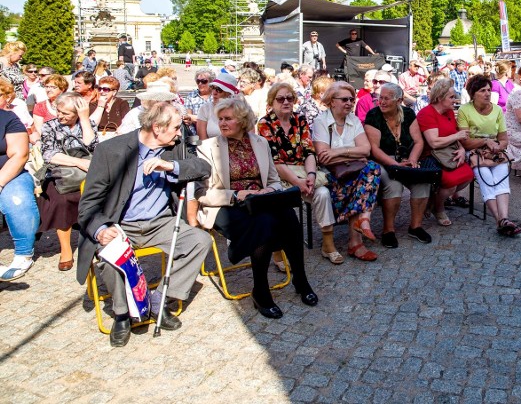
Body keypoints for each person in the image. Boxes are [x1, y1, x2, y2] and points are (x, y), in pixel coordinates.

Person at [76, 102, 211, 347]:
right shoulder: (111, 150)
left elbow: (203, 167)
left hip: (160, 222)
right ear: (157, 128)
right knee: (109, 253)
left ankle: (158, 300)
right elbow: (89, 204)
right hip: (121, 224)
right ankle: (122, 314)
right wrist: (102, 229)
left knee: (200, 240)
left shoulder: (174, 147)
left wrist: (171, 166)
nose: (180, 133)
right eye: (176, 127)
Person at [195, 98, 317, 316]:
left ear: (242, 121)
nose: (222, 123)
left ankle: (301, 279)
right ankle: (260, 291)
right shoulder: (207, 148)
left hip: (259, 201)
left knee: (288, 215)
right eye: (220, 119)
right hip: (226, 205)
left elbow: (273, 180)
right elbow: (203, 194)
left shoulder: (259, 143)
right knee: (264, 222)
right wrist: (237, 194)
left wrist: (268, 191)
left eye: (228, 119)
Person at [257, 82, 338, 265]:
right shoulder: (265, 123)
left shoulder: (299, 119)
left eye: (289, 98)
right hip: (278, 174)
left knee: (323, 193)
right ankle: (278, 251)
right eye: (280, 98)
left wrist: (310, 175)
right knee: (279, 202)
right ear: (272, 101)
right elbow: (274, 161)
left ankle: (328, 244)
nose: (286, 101)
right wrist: (298, 182)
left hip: (303, 171)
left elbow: (310, 151)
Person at [312, 82, 382, 262]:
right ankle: (357, 239)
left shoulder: (354, 120)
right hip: (332, 176)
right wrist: (353, 154)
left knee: (372, 167)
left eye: (352, 99)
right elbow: (323, 158)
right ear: (331, 101)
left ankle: (362, 224)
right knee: (365, 177)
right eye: (344, 99)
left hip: (353, 174)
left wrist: (337, 152)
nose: (350, 103)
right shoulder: (321, 121)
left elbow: (366, 150)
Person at [364, 82, 433, 247]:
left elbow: (418, 141)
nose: (382, 102)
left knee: (422, 181)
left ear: (399, 100)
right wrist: (395, 165)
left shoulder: (408, 114)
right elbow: (374, 149)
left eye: (387, 98)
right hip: (383, 160)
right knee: (394, 185)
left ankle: (415, 226)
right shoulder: (373, 115)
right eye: (380, 97)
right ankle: (388, 230)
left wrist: (413, 160)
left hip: (406, 158)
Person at [37, 92, 99, 271]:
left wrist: (85, 119)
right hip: (61, 174)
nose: (60, 116)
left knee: (100, 196)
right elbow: (48, 154)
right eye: (58, 111)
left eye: (66, 114)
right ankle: (66, 249)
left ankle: (95, 240)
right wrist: (78, 162)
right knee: (61, 201)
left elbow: (92, 146)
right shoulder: (51, 126)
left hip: (87, 175)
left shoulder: (86, 123)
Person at [457, 75, 521, 236]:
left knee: (501, 178)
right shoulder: (465, 110)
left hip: (494, 153)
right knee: (485, 176)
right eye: (482, 90)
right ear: (473, 94)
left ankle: (504, 219)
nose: (487, 93)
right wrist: (486, 141)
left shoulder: (498, 110)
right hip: (474, 152)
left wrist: (496, 148)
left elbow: (504, 140)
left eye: (489, 90)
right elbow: (465, 142)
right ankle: (499, 220)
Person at [416, 78, 474, 225]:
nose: (455, 100)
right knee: (451, 183)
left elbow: (456, 136)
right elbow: (434, 143)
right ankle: (439, 208)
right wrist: (457, 136)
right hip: (430, 156)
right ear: (440, 97)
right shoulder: (427, 113)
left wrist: (461, 149)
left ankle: (434, 199)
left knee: (468, 176)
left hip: (448, 154)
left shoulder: (448, 112)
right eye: (451, 97)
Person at [0, 80, 41, 281]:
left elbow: (19, 154)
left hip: (10, 173)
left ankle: (24, 254)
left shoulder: (9, 118)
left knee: (16, 200)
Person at [197, 72, 239, 140]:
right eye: (213, 88)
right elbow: (202, 142)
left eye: (219, 90)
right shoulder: (205, 109)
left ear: (229, 93)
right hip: (211, 149)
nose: (214, 93)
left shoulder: (241, 110)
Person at [183, 68, 214, 136]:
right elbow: (188, 117)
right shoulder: (191, 96)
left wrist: (195, 118)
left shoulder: (216, 95)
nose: (200, 84)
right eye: (198, 81)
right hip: (196, 134)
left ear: (211, 82)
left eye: (204, 81)